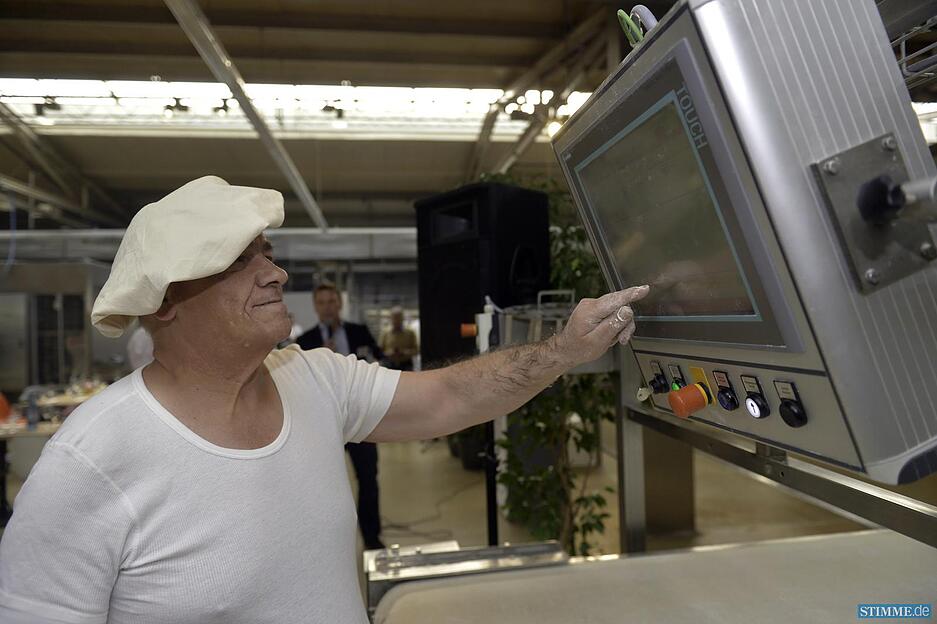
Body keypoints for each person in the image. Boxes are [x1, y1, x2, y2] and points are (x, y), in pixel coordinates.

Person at [0, 175, 648, 624]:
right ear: (164, 302)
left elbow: (451, 396)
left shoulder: (313, 379)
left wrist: (562, 350)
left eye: (270, 253)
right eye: (238, 259)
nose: (277, 272)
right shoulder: (92, 461)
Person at [296, 284, 386, 549]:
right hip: (324, 423)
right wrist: (320, 356)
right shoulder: (305, 342)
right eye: (322, 302)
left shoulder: (359, 332)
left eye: (331, 301)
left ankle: (372, 539)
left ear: (339, 303)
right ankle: (327, 543)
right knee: (323, 485)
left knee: (369, 479)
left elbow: (379, 360)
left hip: (360, 418)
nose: (327, 306)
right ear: (315, 306)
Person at [379, 306, 419, 371]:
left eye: (399, 318)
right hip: (389, 364)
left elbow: (416, 350)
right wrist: (389, 353)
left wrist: (404, 352)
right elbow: (380, 350)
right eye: (395, 318)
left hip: (406, 365)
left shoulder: (410, 332)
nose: (396, 320)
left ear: (402, 318)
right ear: (391, 318)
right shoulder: (385, 333)